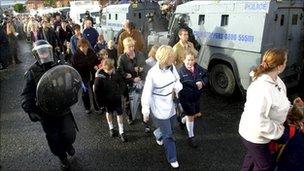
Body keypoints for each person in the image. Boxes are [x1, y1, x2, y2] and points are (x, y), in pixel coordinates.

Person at [21, 40, 77, 169]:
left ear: (49, 51)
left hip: (63, 107)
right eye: (40, 52)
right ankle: (62, 156)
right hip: (46, 112)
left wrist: (74, 90)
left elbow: (71, 80)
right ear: (36, 54)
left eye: (45, 51)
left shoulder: (59, 65)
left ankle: (68, 144)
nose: (44, 54)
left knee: (69, 133)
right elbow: (26, 94)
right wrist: (31, 109)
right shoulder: (32, 72)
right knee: (54, 137)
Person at [238, 48, 291, 171]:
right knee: (265, 166)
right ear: (279, 66)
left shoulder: (277, 80)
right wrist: (280, 132)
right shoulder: (261, 89)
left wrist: (292, 107)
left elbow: (278, 102)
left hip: (263, 135)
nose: (286, 64)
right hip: (255, 136)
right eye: (285, 62)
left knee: (252, 159)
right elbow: (259, 122)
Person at [141, 45, 183, 169]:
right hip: (159, 108)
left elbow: (177, 80)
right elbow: (146, 93)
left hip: (171, 105)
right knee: (169, 135)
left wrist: (177, 87)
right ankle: (172, 158)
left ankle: (158, 133)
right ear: (165, 57)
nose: (173, 58)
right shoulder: (152, 74)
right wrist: (145, 111)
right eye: (171, 56)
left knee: (173, 125)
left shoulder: (172, 67)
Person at [178, 51, 208, 148]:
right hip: (185, 99)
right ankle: (191, 137)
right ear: (183, 60)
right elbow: (176, 85)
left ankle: (182, 120)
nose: (190, 62)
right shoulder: (180, 72)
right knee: (191, 115)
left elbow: (206, 75)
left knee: (192, 115)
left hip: (196, 97)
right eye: (188, 60)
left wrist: (202, 82)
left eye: (192, 60)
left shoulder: (198, 68)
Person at [94, 58, 128, 142]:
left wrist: (120, 92)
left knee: (119, 114)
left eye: (111, 69)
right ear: (103, 68)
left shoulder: (115, 72)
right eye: (108, 70)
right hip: (106, 100)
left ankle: (121, 131)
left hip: (116, 98)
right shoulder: (99, 77)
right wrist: (100, 104)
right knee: (109, 113)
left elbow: (122, 83)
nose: (110, 71)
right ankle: (111, 128)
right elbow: (96, 92)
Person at [117, 37, 146, 125]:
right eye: (129, 47)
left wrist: (141, 69)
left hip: (140, 81)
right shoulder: (122, 58)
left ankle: (143, 118)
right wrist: (128, 76)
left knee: (141, 100)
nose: (132, 49)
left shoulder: (139, 54)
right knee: (128, 101)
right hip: (128, 83)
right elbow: (119, 71)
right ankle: (129, 117)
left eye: (133, 46)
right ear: (125, 47)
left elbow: (145, 65)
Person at [71, 38, 99, 114]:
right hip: (83, 77)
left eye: (86, 46)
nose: (84, 49)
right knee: (85, 92)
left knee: (94, 91)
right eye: (82, 47)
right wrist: (79, 78)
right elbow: (74, 68)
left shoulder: (91, 52)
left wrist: (96, 65)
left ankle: (97, 107)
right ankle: (87, 107)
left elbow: (96, 61)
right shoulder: (75, 56)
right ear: (79, 47)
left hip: (93, 75)